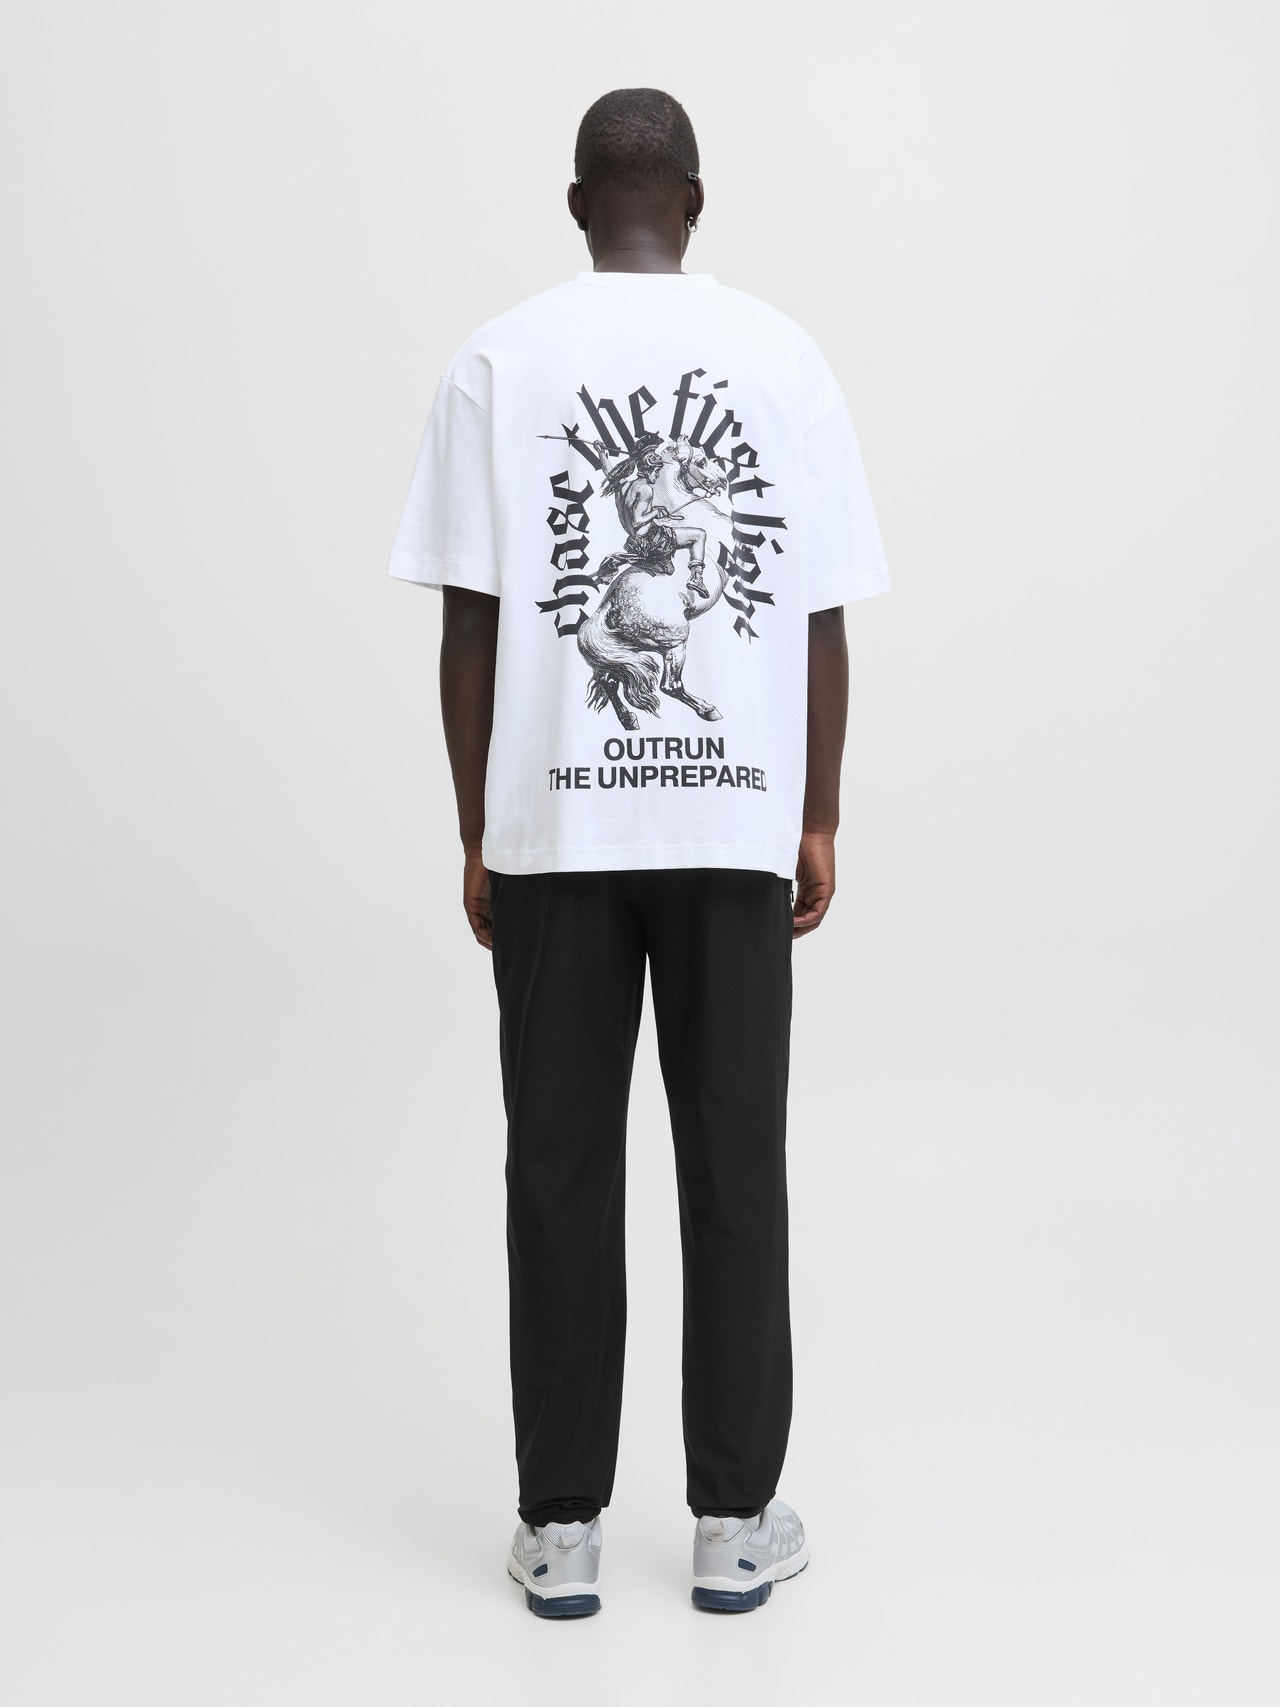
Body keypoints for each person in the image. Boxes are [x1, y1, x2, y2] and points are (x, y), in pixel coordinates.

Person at [386, 88, 890, 1617]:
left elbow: (471, 625)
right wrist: (816, 812)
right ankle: (734, 1522)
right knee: (735, 1163)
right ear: (694, 198)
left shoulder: (497, 358)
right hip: (733, 820)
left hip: (555, 828)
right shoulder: (784, 356)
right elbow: (819, 618)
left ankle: (561, 1533)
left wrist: (478, 828)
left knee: (557, 1166)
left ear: (576, 203)